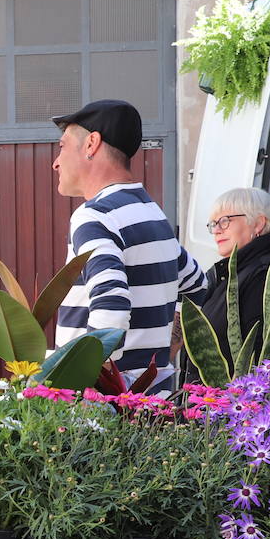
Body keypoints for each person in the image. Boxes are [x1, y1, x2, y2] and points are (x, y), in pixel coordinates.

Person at [51, 99, 205, 394]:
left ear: (91, 144)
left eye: (62, 146)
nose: (56, 161)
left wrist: (84, 391)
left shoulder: (94, 216)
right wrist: (162, 356)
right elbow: (197, 288)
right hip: (153, 398)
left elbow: (110, 305)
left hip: (104, 413)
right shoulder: (152, 214)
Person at [199, 187, 270, 364]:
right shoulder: (231, 272)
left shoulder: (264, 276)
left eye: (225, 220)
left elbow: (256, 355)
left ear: (258, 224)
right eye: (213, 223)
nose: (217, 230)